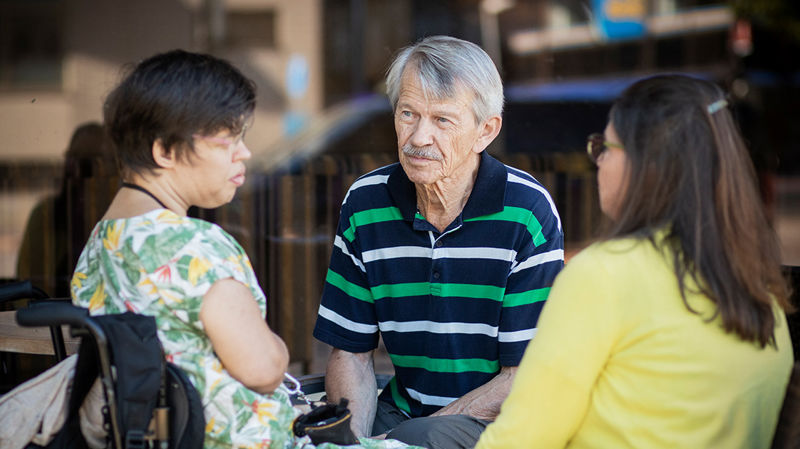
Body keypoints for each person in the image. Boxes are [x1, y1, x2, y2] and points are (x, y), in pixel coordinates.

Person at [69, 49, 413, 449]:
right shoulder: (197, 246)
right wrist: (278, 348)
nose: (244, 152)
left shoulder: (99, 245)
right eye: (226, 139)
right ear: (163, 150)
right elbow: (263, 369)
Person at [474, 74, 795, 449]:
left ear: (645, 165)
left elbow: (521, 440)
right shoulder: (760, 289)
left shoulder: (603, 274)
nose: (598, 162)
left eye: (605, 147)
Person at [313, 35, 564, 449]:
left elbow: (523, 376)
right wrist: (353, 443)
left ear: (486, 131)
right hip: (403, 410)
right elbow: (351, 352)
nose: (419, 137)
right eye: (408, 113)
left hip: (495, 423)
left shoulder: (525, 211)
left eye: (442, 120)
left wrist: (397, 441)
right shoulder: (365, 202)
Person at [17, 122, 116, 298]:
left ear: (114, 168)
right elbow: (25, 285)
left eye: (93, 162)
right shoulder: (45, 216)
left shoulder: (120, 218)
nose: (81, 170)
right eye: (74, 159)